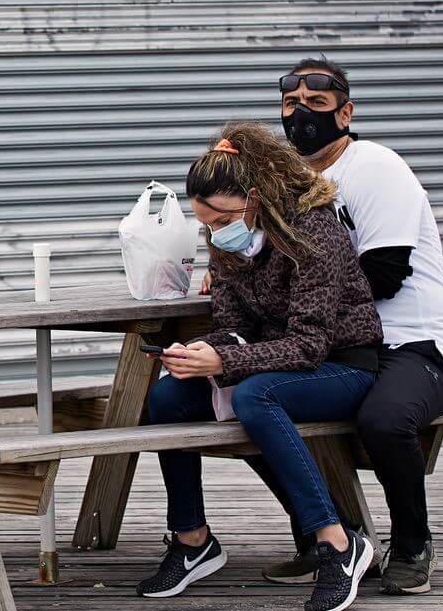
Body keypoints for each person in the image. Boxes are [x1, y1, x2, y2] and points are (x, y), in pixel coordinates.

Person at [244, 58, 443, 595]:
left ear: (346, 113)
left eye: (317, 105)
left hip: (413, 344)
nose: (301, 116)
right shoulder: (286, 183)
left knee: (385, 419)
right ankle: (332, 539)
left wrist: (293, 305)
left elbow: (385, 275)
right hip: (340, 345)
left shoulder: (376, 166)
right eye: (291, 105)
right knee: (240, 403)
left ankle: (413, 544)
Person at [136, 122, 382, 611]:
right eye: (205, 222)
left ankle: (337, 542)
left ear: (254, 198)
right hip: (271, 363)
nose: (214, 230)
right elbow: (233, 326)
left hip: (342, 367)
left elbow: (309, 346)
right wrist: (199, 350)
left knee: (253, 395)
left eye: (223, 217)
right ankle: (192, 541)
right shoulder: (230, 243)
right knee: (166, 396)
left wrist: (226, 357)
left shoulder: (313, 233)